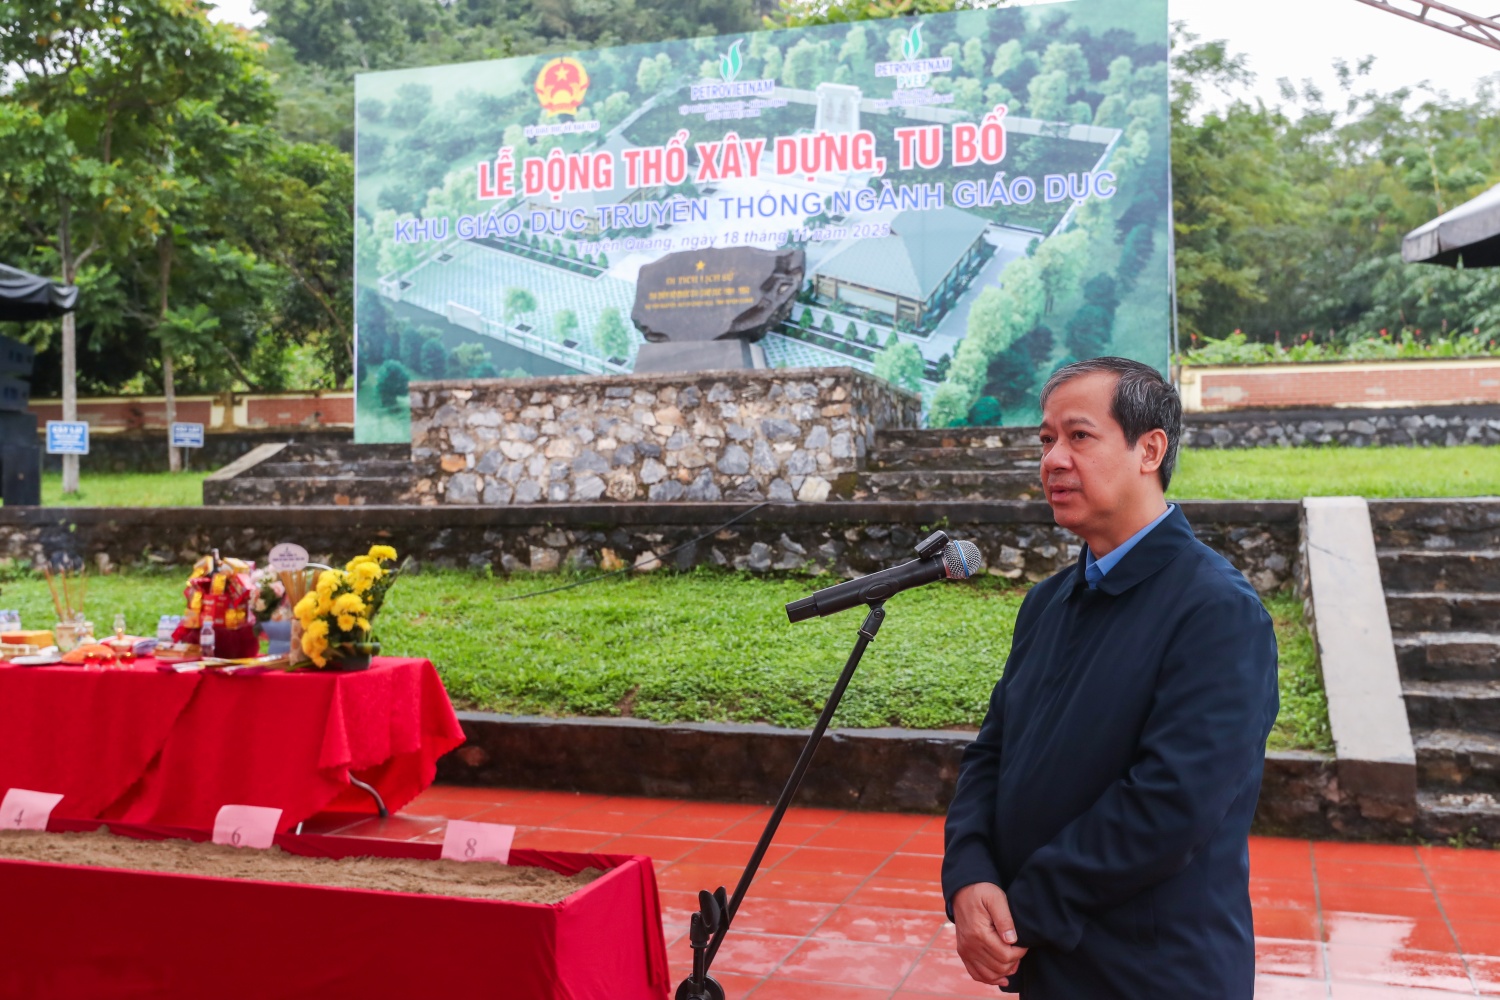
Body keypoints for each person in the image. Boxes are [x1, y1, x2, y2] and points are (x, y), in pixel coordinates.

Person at [941, 357, 1279, 998]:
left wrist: (1021, 911)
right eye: (1046, 440)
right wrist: (969, 875)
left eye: (1079, 436)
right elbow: (992, 753)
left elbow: (1170, 804)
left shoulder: (1217, 610)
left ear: (1150, 448)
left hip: (1151, 969)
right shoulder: (1048, 602)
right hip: (1048, 961)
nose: (1054, 460)